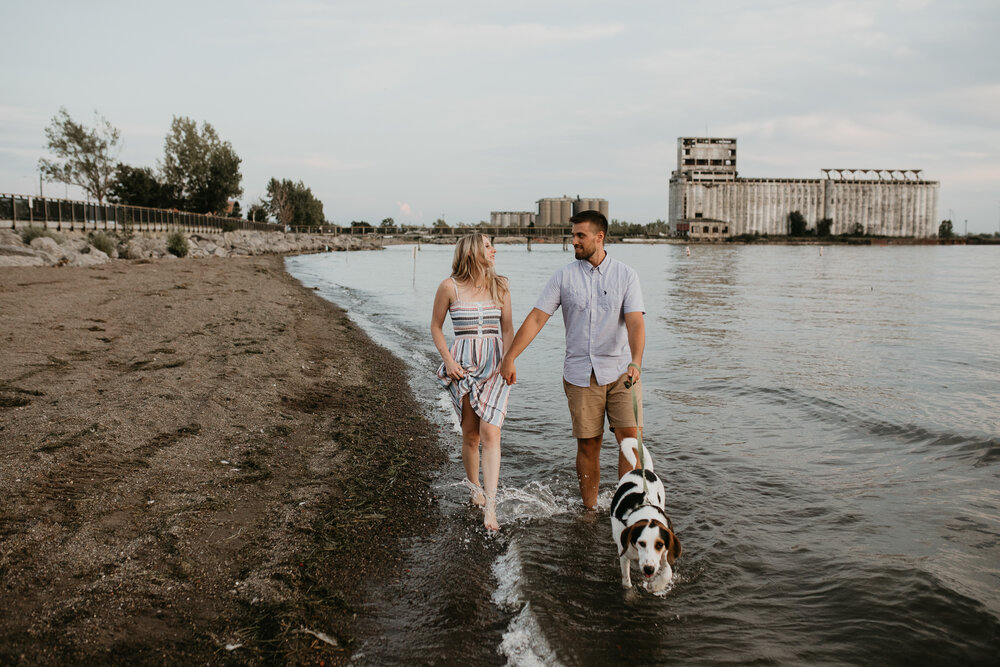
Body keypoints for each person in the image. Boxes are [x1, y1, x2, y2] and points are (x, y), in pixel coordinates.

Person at [499, 210, 645, 509]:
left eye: (580, 236)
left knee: (631, 444)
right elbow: (538, 318)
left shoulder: (626, 275)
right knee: (589, 445)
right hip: (580, 374)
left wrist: (637, 361)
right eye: (573, 235)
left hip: (622, 372)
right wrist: (510, 356)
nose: (573, 241)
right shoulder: (563, 276)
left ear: (599, 237)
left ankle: (627, 509)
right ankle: (590, 511)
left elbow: (635, 323)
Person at [431, 234, 513, 531]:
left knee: (491, 432)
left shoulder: (500, 285)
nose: (494, 250)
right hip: (463, 365)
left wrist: (510, 360)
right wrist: (449, 362)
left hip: (495, 365)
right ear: (473, 252)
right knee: (471, 434)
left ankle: (490, 507)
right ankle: (474, 487)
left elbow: (508, 329)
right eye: (488, 246)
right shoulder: (448, 287)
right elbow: (436, 327)